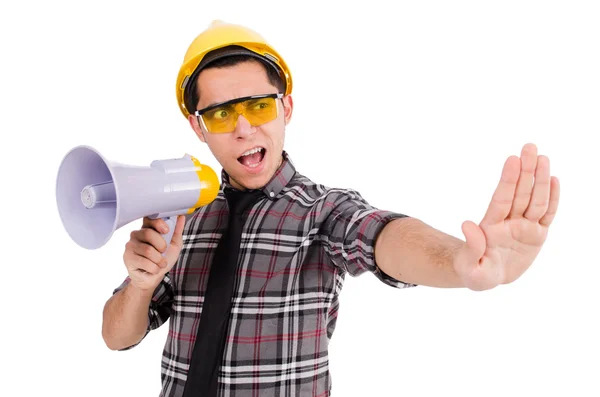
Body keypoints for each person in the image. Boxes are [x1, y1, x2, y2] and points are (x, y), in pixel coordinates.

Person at [101, 20, 560, 397]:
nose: (243, 128)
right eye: (221, 114)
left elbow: (383, 237)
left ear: (286, 108)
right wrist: (143, 284)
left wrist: (460, 261)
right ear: (198, 128)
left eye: (258, 106)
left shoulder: (322, 211)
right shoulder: (183, 218)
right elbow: (116, 335)